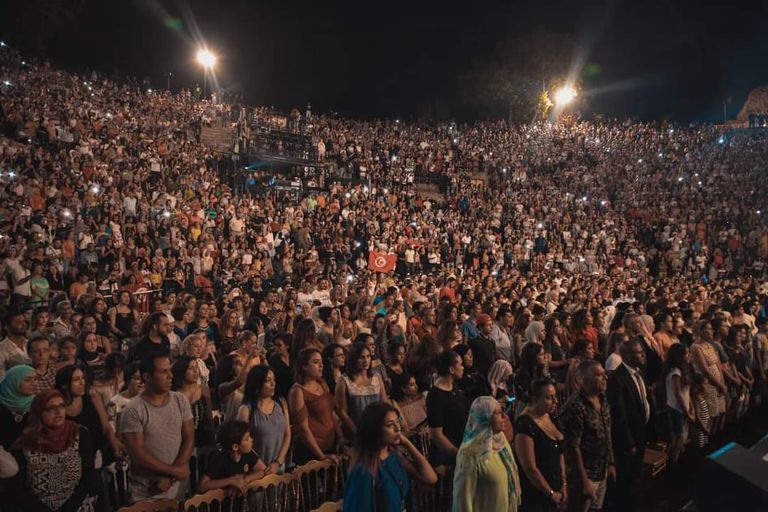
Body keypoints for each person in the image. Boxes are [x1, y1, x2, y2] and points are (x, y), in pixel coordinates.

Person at [119, 352, 194, 501]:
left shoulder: (180, 400)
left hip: (177, 486)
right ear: (147, 377)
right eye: (163, 371)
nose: (170, 376)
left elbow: (189, 437)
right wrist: (174, 471)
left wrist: (171, 477)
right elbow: (138, 454)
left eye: (170, 370)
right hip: (146, 491)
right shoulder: (133, 409)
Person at [11, 390, 98, 511]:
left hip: (76, 505)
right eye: (51, 408)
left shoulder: (79, 434)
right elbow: (18, 489)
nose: (58, 412)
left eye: (62, 406)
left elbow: (88, 476)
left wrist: (69, 508)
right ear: (39, 412)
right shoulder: (26, 443)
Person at [343, 401, 437, 512]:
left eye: (398, 422)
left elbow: (430, 478)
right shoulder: (364, 470)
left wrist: (407, 443)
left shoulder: (394, 457)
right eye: (390, 425)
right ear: (375, 430)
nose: (398, 429)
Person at [559, 360, 615, 512]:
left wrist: (610, 462)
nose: (605, 378)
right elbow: (572, 447)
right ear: (584, 379)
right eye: (599, 375)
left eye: (604, 374)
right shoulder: (575, 407)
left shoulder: (602, 398)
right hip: (585, 475)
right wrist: (584, 480)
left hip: (601, 471)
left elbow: (607, 432)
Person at [452, 396, 522, 512]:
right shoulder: (469, 455)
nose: (504, 417)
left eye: (502, 411)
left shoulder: (501, 441)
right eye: (497, 413)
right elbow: (462, 501)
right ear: (484, 417)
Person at [605, 339, 650, 512]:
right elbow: (619, 414)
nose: (643, 355)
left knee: (636, 474)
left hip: (640, 432)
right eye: (640, 352)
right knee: (626, 477)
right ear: (628, 356)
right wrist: (628, 441)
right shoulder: (617, 378)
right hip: (628, 437)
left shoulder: (639, 372)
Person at [515, 379, 566, 512]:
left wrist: (564, 484)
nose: (555, 401)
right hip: (536, 495)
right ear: (535, 399)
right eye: (549, 398)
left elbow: (560, 452)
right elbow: (530, 468)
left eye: (555, 396)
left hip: (557, 488)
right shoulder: (525, 424)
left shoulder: (551, 416)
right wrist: (550, 493)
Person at [288, 348, 342, 464]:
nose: (321, 366)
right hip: (311, 452)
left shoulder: (322, 383)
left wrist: (340, 437)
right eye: (316, 362)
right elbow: (303, 429)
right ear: (304, 366)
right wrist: (321, 456)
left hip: (330, 446)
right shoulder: (297, 391)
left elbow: (330, 414)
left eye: (321, 362)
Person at [198, 420, 267, 508]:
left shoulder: (248, 453)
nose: (252, 440)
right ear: (235, 447)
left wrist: (244, 480)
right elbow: (202, 486)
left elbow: (263, 470)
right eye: (247, 438)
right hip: (221, 507)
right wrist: (231, 480)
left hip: (240, 505)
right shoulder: (220, 459)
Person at [236, 366, 291, 474]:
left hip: (278, 467)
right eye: (268, 381)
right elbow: (242, 443)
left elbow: (287, 434)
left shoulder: (281, 403)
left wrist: (278, 462)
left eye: (274, 380)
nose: (273, 384)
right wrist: (261, 467)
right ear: (257, 384)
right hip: (256, 470)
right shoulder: (246, 410)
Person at [426, 350, 471, 466]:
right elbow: (436, 435)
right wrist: (458, 453)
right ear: (451, 370)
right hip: (450, 454)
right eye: (460, 364)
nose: (462, 367)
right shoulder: (435, 396)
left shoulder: (453, 386)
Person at [336, 342, 388, 435]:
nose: (366, 361)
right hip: (355, 429)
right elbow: (342, 413)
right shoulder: (344, 381)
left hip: (377, 428)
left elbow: (384, 403)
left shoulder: (377, 377)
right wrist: (357, 433)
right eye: (362, 357)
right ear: (354, 359)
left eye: (368, 356)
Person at [171, 355, 214, 447]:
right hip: (179, 440)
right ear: (182, 371)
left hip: (202, 439)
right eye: (191, 368)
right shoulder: (174, 395)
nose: (195, 371)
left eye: (196, 367)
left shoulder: (203, 390)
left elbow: (209, 416)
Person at [663, 343, 694, 463]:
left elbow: (686, 392)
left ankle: (678, 458)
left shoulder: (682, 370)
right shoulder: (676, 372)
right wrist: (687, 411)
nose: (688, 356)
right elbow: (678, 394)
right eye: (686, 354)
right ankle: (673, 461)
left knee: (682, 436)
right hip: (676, 408)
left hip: (682, 407)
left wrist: (691, 407)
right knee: (678, 436)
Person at [0, 365, 36, 450]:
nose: (34, 383)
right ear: (13, 382)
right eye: (27, 380)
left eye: (35, 379)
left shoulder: (37, 403)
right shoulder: (1, 407)